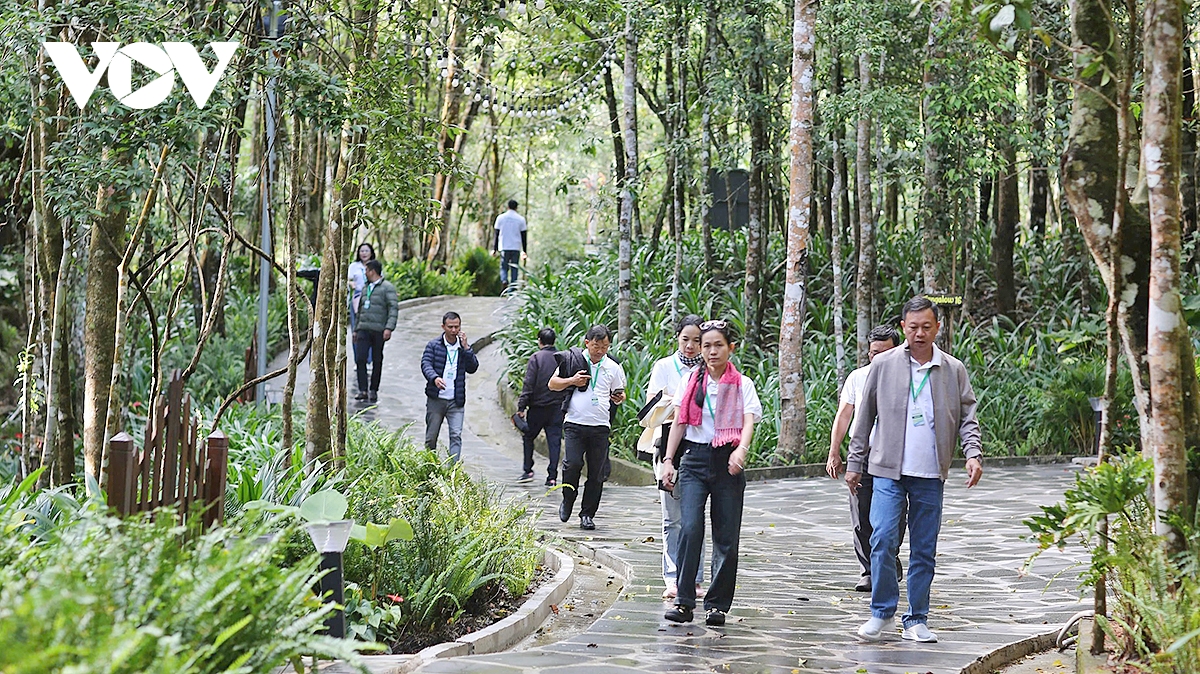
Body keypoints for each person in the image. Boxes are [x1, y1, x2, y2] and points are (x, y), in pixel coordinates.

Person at [846, 296, 984, 644]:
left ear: (937, 327)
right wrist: (854, 463)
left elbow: (967, 416)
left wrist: (972, 454)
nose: (919, 334)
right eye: (912, 327)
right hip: (887, 471)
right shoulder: (884, 364)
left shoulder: (952, 369)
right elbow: (864, 417)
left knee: (924, 548)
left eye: (926, 327)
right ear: (903, 327)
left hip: (930, 474)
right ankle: (881, 612)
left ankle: (917, 619)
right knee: (882, 539)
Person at [660, 320, 762, 627]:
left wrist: (741, 450)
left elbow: (748, 421)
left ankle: (717, 605)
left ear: (731, 348)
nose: (712, 351)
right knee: (690, 528)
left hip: (727, 461)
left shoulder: (742, 384)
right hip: (693, 460)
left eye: (718, 345)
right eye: (706, 346)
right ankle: (684, 601)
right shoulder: (690, 380)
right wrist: (668, 460)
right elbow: (679, 421)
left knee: (726, 536)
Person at [827, 325, 905, 592]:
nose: (878, 358)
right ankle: (870, 570)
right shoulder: (858, 378)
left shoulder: (907, 377)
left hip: (896, 455)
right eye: (873, 353)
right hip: (864, 453)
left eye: (884, 352)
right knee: (861, 514)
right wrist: (834, 451)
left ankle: (889, 556)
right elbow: (844, 415)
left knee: (896, 513)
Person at [640, 314, 708, 601]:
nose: (690, 346)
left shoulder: (709, 368)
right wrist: (683, 404)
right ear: (677, 338)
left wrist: (676, 400)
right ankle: (672, 578)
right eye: (685, 339)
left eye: (696, 341)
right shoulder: (664, 366)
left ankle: (694, 578)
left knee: (695, 518)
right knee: (672, 518)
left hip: (700, 444)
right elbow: (652, 406)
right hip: (667, 443)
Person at [548, 324, 627, 531]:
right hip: (574, 423)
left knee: (596, 473)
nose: (600, 351)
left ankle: (587, 514)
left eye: (605, 347)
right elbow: (552, 384)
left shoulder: (613, 367)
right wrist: (572, 380)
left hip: (600, 425)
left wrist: (619, 398)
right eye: (596, 346)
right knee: (572, 464)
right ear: (587, 343)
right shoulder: (573, 360)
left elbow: (620, 393)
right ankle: (568, 498)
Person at [421, 312, 480, 462]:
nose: (454, 330)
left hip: (456, 400)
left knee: (456, 435)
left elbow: (473, 368)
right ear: (443, 327)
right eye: (450, 327)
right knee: (431, 437)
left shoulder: (463, 347)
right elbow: (426, 364)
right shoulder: (434, 345)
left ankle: (453, 470)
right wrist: (434, 378)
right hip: (436, 399)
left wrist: (466, 348)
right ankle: (430, 465)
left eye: (457, 327)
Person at [517, 328, 568, 486]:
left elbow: (529, 383)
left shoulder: (536, 358)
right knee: (554, 442)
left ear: (540, 341)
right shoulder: (562, 358)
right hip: (557, 407)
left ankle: (528, 470)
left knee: (528, 436)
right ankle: (552, 476)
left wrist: (521, 406)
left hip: (537, 408)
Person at [352, 259, 397, 402]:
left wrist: (389, 327)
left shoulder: (387, 288)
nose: (365, 273)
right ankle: (363, 390)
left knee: (377, 360)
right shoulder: (365, 288)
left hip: (379, 330)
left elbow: (393, 308)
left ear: (372, 271)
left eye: (366, 270)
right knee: (360, 359)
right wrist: (356, 329)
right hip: (363, 329)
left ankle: (373, 390)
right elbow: (359, 310)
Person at [348, 243, 375, 361]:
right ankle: (358, 359)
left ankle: (369, 359)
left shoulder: (375, 265)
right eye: (361, 251)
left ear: (371, 252)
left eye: (366, 251)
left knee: (371, 329)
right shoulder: (354, 266)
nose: (364, 253)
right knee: (356, 329)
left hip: (372, 298)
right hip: (357, 298)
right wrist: (351, 284)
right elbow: (346, 279)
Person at [493, 199, 527, 288]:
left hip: (504, 246)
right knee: (514, 268)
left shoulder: (500, 218)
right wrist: (524, 251)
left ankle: (504, 280)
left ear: (507, 207)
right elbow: (524, 236)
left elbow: (496, 234)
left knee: (504, 267)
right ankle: (512, 289)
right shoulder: (521, 219)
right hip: (516, 247)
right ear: (516, 208)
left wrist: (494, 249)